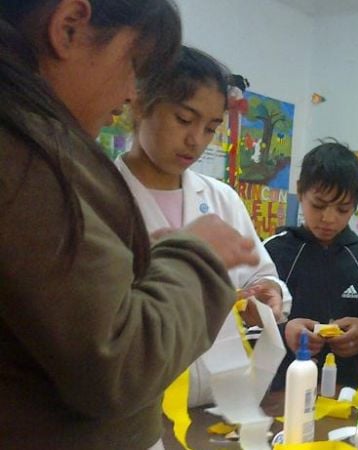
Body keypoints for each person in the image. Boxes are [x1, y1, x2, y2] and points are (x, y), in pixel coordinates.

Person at [0, 1, 261, 449]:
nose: (126, 93)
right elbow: (115, 363)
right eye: (132, 65)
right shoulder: (27, 157)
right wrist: (193, 258)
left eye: (211, 128)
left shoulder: (43, 147)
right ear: (68, 28)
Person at [115, 45, 291, 407]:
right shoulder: (101, 196)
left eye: (211, 128)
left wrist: (268, 294)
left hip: (222, 399)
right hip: (142, 405)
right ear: (140, 104)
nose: (196, 140)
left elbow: (259, 275)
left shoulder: (221, 198)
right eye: (184, 119)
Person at [265, 141, 358, 390]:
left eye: (342, 209)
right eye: (318, 205)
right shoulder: (273, 253)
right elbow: (247, 327)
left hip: (348, 393)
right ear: (300, 192)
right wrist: (285, 330)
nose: (328, 219)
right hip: (281, 391)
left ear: (356, 205)